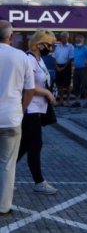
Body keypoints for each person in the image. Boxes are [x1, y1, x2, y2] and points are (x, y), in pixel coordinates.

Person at [0, 21, 35, 214]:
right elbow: (29, 90)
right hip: (11, 117)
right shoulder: (21, 56)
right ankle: (3, 206)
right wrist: (21, 110)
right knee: (7, 164)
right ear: (10, 37)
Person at [18, 29, 58, 194]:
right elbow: (29, 86)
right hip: (30, 109)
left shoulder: (40, 60)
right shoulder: (30, 59)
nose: (50, 48)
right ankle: (39, 182)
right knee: (34, 146)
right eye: (49, 45)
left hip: (38, 110)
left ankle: (5, 175)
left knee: (23, 146)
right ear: (38, 44)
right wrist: (47, 93)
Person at [52, 31, 74, 106]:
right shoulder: (57, 47)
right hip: (58, 66)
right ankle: (61, 100)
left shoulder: (70, 47)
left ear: (67, 38)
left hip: (66, 67)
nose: (63, 38)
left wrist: (63, 67)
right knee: (59, 84)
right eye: (62, 37)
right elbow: (54, 57)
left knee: (67, 85)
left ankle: (67, 100)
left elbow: (70, 58)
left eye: (64, 37)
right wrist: (57, 67)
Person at [71, 34, 87, 108]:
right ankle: (77, 102)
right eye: (77, 40)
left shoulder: (85, 48)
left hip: (84, 69)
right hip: (76, 69)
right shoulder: (75, 48)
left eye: (79, 40)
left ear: (83, 40)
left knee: (85, 85)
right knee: (76, 85)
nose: (78, 41)